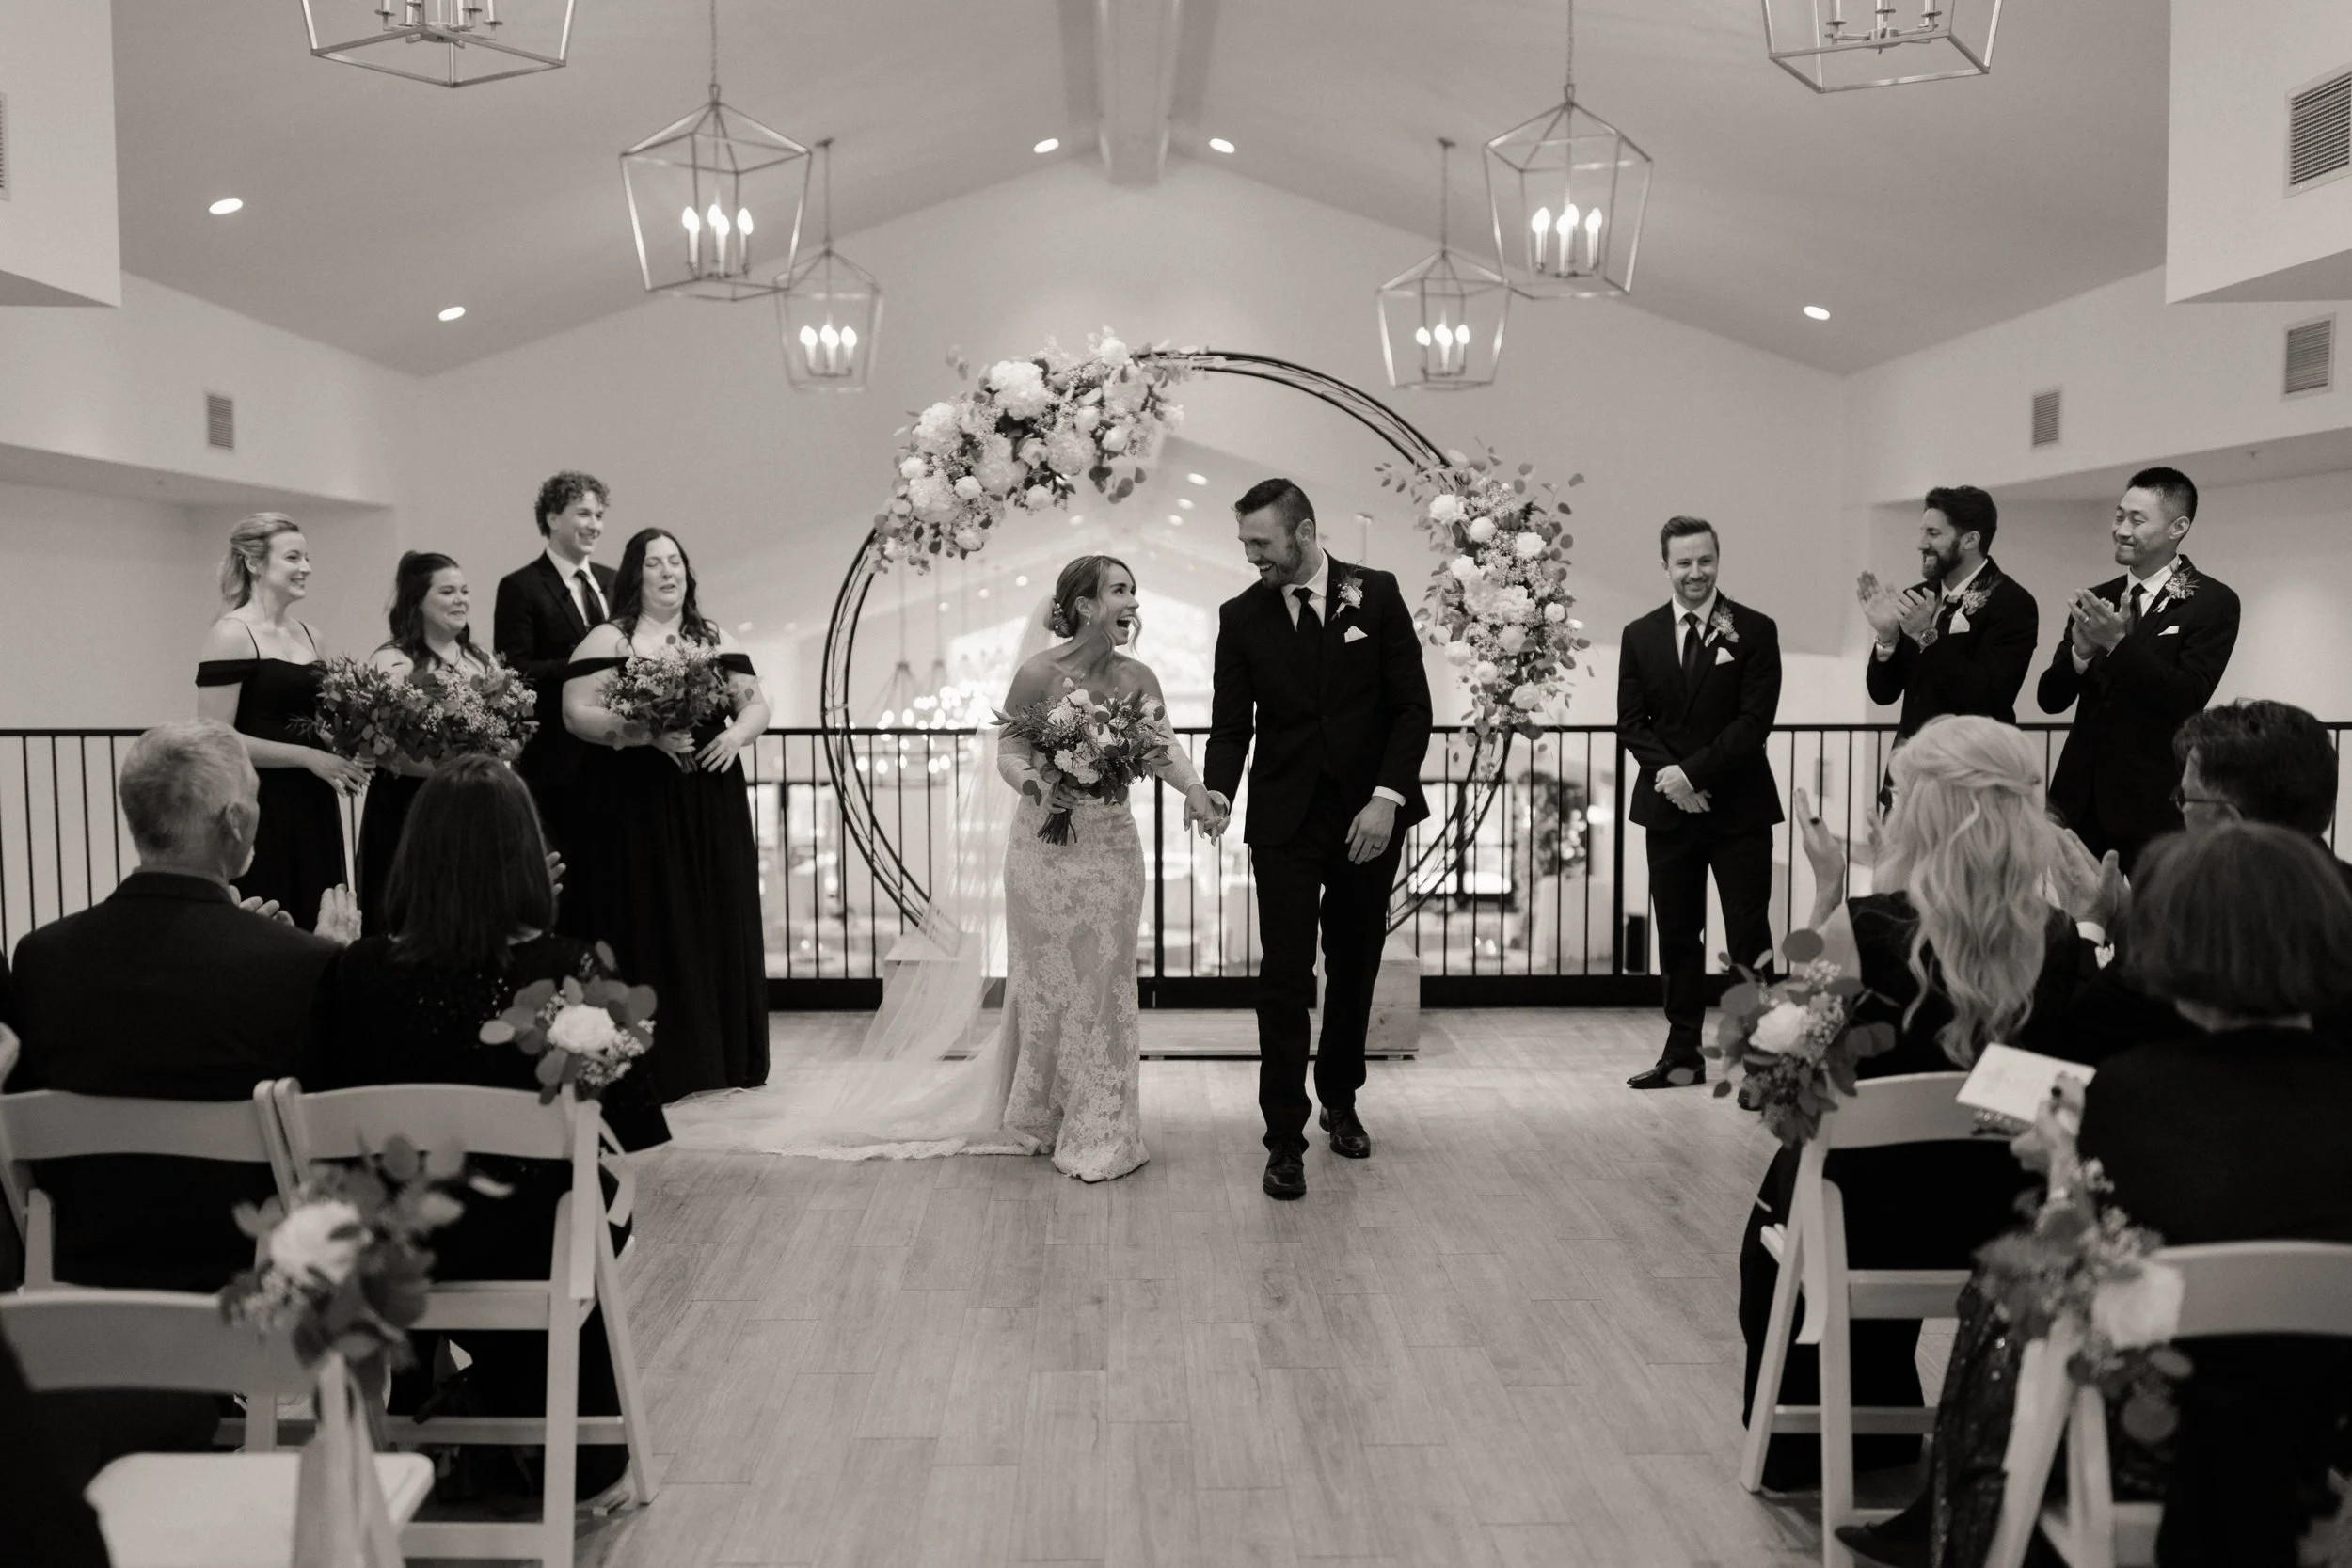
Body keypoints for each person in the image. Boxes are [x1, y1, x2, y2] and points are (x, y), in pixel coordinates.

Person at [1850, 823, 2352, 1568]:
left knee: (2012, 1290)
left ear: (2172, 947)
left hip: (2163, 1445)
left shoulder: (2133, 1094)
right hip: (2331, 1432)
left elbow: (2099, 1268)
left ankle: (1971, 1520)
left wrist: (2060, 1163)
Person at [1744, 717, 2099, 1494]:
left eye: (1899, 794)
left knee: (1795, 1183)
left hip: (1869, 1222)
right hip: (2013, 1220)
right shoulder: (2066, 942)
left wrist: (1827, 892)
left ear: (1931, 812)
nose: (1890, 809)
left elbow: (1782, 1085)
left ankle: (1830, 1442)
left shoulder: (1861, 928)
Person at [5, 721, 357, 1492]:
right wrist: (331, 959)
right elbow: (329, 1134)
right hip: (242, 1268)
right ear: (234, 822)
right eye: (256, 802)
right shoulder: (299, 966)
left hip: (81, 1258)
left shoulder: (42, 957)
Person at [306, 756, 668, 1504]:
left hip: (392, 1250)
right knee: (592, 1202)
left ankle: (424, 1406)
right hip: (532, 1245)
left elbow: (322, 1104)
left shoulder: (355, 972)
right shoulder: (568, 969)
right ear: (526, 860)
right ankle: (504, 1411)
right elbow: (633, 1119)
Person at [1205, 479, 1433, 1201]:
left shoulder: (1379, 594)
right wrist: (1217, 790)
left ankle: (1341, 1098)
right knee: (1283, 975)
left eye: (1261, 543)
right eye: (1246, 544)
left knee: (1356, 961)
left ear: (1303, 533)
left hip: (1369, 817)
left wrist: (1386, 799)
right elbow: (1230, 720)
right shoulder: (1240, 617)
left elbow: (1411, 708)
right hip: (1285, 821)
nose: (1252, 558)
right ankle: (1283, 1137)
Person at [991, 557, 1222, 1180]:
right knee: (1044, 982)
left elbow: (1162, 744)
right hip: (1041, 845)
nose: (1133, 602)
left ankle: (1102, 1128)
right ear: (1087, 604)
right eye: (1121, 590)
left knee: (1106, 983)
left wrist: (1197, 791)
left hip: (1113, 847)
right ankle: (1040, 1112)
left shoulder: (1137, 674)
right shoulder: (1036, 673)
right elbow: (1009, 746)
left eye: (1134, 591)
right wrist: (1036, 780)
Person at [560, 528, 770, 1101]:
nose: (667, 572)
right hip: (636, 795)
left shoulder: (711, 634)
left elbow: (754, 704)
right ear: (636, 575)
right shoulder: (609, 637)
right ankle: (661, 1057)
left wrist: (735, 739)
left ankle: (724, 1055)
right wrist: (644, 731)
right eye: (654, 564)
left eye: (675, 561)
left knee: (715, 906)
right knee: (652, 909)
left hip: (709, 792)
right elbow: (577, 714)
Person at [2058, 698, 2352, 1064]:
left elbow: (2076, 1037)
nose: (2178, 809)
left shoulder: (2189, 923)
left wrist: (2089, 923)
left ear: (2228, 823)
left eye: (2184, 797)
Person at [1616, 515, 1784, 1090]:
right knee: (1678, 935)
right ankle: (1682, 1054)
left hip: (1739, 810)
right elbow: (1632, 723)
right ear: (1665, 565)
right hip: (1668, 811)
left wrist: (1692, 773)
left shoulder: (1756, 630)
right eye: (1684, 562)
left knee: (1747, 937)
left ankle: (1761, 1059)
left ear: (1718, 559)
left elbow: (1754, 722)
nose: (1695, 572)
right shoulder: (1639, 635)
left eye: (1705, 560)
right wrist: (1672, 780)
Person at [2035, 467, 2240, 869]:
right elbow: (2049, 700)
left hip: (2152, 801)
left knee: (2148, 924)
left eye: (2137, 519)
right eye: (2118, 516)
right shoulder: (2100, 597)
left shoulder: (2212, 601)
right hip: (2079, 797)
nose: (2121, 529)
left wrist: (2116, 644)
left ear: (2177, 527)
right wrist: (2079, 653)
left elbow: (2187, 696)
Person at [195, 513, 370, 931]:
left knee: (321, 914)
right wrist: (309, 757)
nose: (306, 568)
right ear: (254, 563)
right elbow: (217, 737)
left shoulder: (312, 635)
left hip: (313, 802)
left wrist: (354, 746)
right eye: (293, 557)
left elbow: (319, 720)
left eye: (307, 557)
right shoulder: (231, 633)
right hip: (263, 804)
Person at [357, 551, 497, 933]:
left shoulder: (481, 661)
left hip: (471, 804)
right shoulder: (392, 662)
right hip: (408, 807)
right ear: (417, 601)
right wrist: (446, 767)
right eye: (448, 591)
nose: (460, 600)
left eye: (465, 591)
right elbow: (379, 746)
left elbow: (504, 730)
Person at [496, 473, 614, 859]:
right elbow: (517, 671)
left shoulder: (615, 583)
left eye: (599, 515)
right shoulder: (521, 586)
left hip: (618, 756)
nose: (594, 525)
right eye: (583, 513)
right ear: (551, 518)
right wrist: (587, 668)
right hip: (556, 761)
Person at [1862, 485, 2038, 744]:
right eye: (1922, 532)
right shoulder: (1917, 597)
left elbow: (1987, 696)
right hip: (1910, 765)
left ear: (1970, 540)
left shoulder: (2012, 603)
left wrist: (1925, 635)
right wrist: (1887, 638)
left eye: (1933, 533)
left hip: (1971, 764)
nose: (1921, 544)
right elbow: (1883, 694)